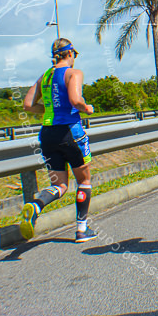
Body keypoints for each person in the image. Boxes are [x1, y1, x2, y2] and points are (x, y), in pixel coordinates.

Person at [20, 38, 98, 242]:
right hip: (70, 132)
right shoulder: (74, 73)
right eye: (75, 54)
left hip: (47, 134)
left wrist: (50, 108)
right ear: (70, 53)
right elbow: (74, 100)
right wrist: (86, 107)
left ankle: (37, 205)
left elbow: (28, 105)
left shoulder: (44, 77)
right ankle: (82, 229)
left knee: (60, 185)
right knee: (84, 180)